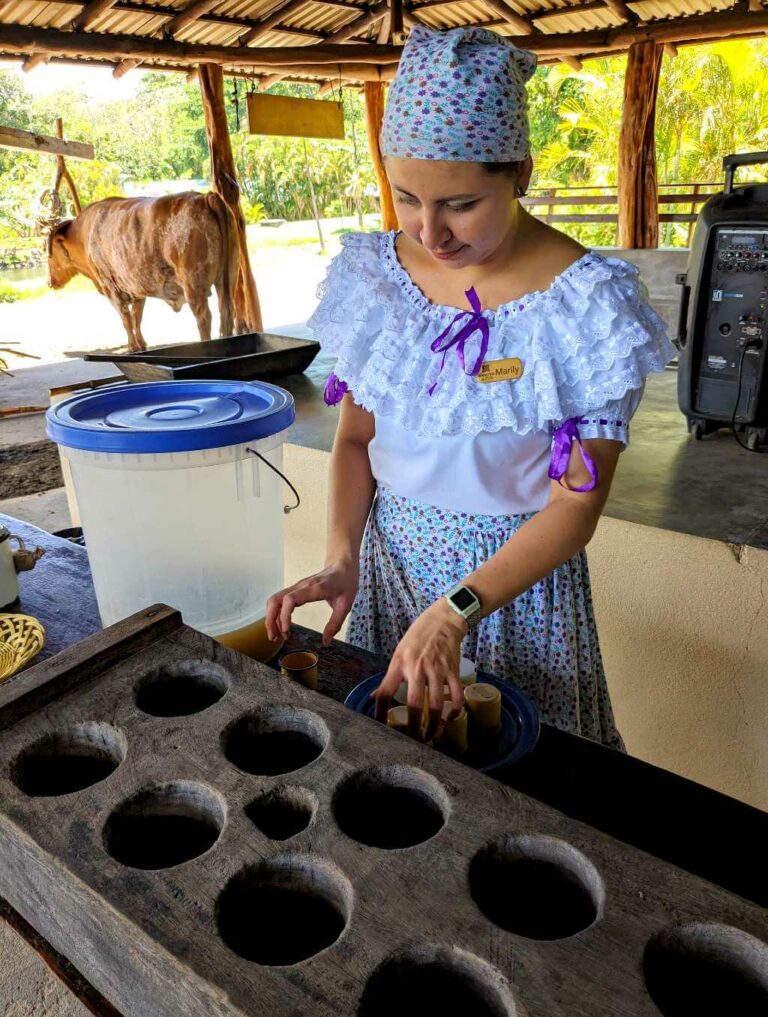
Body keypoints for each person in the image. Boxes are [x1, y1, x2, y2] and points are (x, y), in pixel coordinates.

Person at [266, 25, 675, 748]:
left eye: (459, 203)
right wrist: (341, 556)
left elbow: (574, 503)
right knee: (407, 759)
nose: (430, 231)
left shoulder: (584, 307)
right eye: (406, 198)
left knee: (528, 775)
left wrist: (455, 610)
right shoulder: (378, 281)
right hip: (396, 571)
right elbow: (358, 440)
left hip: (518, 594)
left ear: (518, 169)